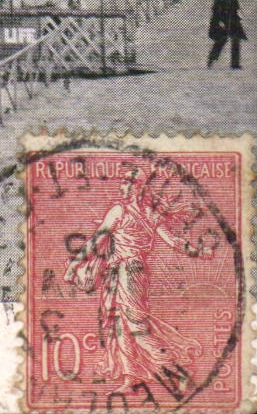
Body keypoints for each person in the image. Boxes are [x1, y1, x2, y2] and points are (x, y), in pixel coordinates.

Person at [64, 165, 212, 397]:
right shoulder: (145, 214)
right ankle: (130, 377)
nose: (124, 186)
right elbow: (172, 241)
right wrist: (198, 251)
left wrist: (75, 265)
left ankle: (179, 373)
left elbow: (97, 240)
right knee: (119, 325)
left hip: (128, 270)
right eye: (123, 181)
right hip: (122, 271)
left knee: (136, 327)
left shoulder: (122, 211)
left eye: (130, 182)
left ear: (140, 187)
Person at [207, 0, 245, 70]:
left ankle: (235, 64)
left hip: (233, 19)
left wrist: (239, 14)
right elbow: (217, 8)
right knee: (221, 39)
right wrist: (219, 21)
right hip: (222, 18)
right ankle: (212, 59)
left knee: (236, 39)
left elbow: (236, 5)